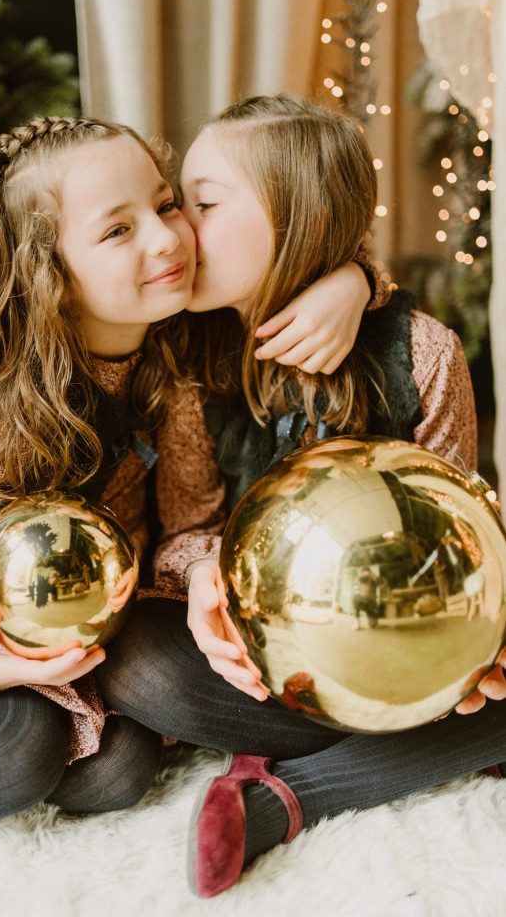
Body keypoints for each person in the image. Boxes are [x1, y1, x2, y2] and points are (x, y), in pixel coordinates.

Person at [0, 111, 372, 821]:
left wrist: (354, 279)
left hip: (75, 624)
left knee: (114, 777)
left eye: (166, 202)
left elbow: (188, 520)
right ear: (50, 273)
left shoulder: (174, 357)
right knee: (7, 762)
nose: (167, 236)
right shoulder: (4, 405)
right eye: (118, 230)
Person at [94, 95, 506, 898]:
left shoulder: (421, 351)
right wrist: (206, 574)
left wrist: (475, 650)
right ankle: (403, 747)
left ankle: (290, 797)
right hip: (254, 651)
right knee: (139, 667)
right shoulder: (185, 357)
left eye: (202, 204)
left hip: (390, 643)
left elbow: (462, 537)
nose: (177, 231)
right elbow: (182, 529)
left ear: (296, 213)